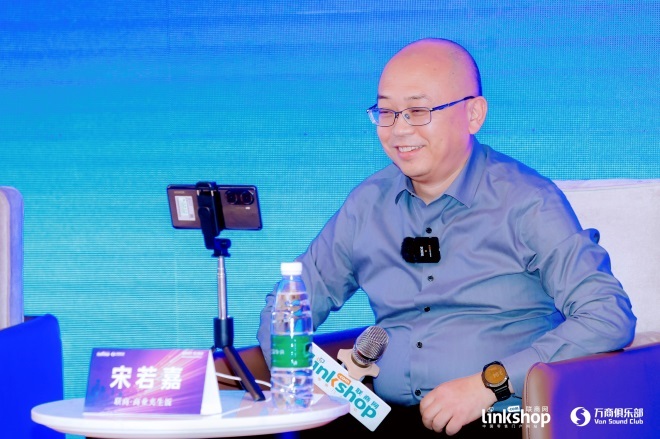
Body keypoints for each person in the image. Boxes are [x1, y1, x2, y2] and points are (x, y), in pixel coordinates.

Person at [257, 37, 636, 437]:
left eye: (418, 111)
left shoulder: (528, 201)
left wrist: (491, 384)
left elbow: (607, 315)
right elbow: (283, 309)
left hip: (500, 417)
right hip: (383, 418)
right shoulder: (366, 204)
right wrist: (310, 381)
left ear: (473, 114)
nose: (399, 129)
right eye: (386, 112)